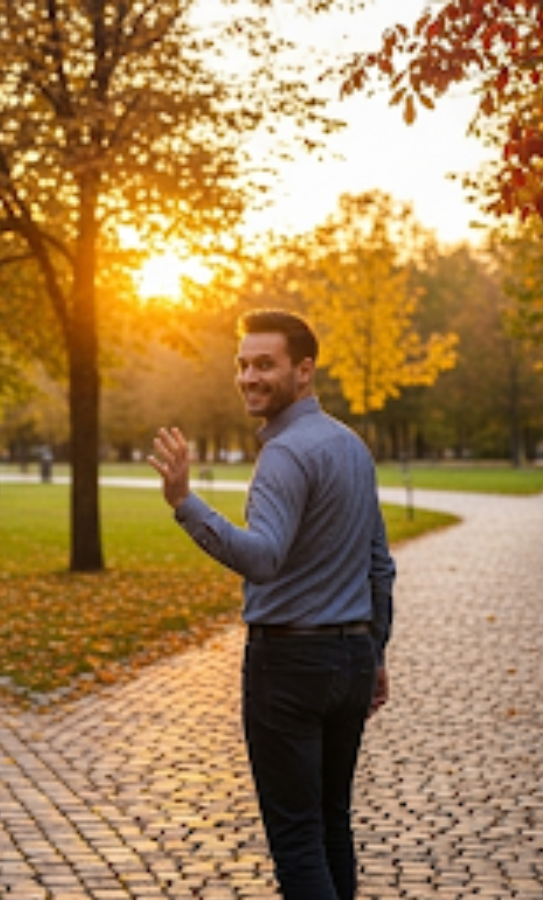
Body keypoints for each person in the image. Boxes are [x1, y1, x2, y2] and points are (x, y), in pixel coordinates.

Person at [147, 309, 395, 900]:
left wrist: (185, 502)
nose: (249, 377)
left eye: (265, 364)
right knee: (332, 823)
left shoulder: (284, 454)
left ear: (303, 371)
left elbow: (262, 558)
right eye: (243, 364)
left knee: (298, 840)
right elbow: (379, 564)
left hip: (289, 668)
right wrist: (373, 651)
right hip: (351, 660)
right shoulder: (351, 447)